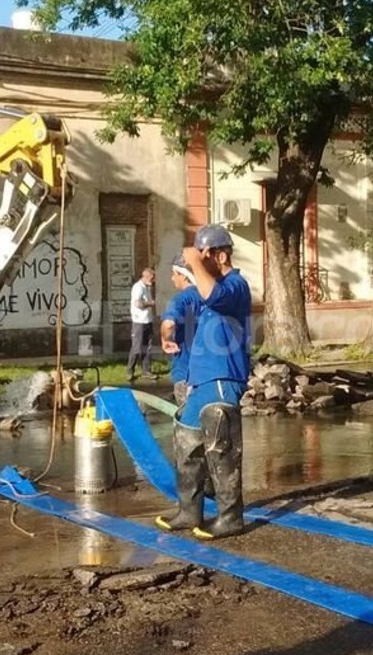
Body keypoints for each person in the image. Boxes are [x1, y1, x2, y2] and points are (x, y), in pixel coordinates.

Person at [155, 225, 252, 540]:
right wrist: (167, 331)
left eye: (206, 253)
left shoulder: (235, 285)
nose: (199, 259)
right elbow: (184, 302)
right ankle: (189, 510)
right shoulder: (205, 290)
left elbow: (213, 293)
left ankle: (230, 516)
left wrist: (193, 260)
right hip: (200, 381)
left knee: (220, 447)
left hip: (224, 378)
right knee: (186, 441)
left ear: (221, 255)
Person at [160, 253, 202, 404]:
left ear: (183, 276)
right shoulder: (210, 297)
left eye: (174, 274)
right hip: (210, 374)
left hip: (186, 372)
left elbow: (169, 324)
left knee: (187, 424)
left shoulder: (179, 299)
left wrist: (165, 339)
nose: (172, 278)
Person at [127, 267, 157, 382]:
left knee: (147, 347)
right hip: (139, 322)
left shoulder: (147, 287)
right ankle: (130, 370)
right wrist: (150, 303)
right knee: (136, 348)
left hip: (147, 320)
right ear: (146, 277)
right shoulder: (138, 287)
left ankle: (146, 371)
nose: (153, 280)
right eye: (152, 278)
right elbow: (138, 303)